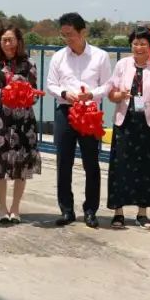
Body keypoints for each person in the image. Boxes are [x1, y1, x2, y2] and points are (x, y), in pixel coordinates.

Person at [46, 12, 112, 228]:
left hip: (90, 113)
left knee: (91, 163)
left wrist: (91, 94)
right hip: (66, 112)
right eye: (64, 35)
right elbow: (51, 85)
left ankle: (91, 211)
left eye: (71, 34)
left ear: (83, 32)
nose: (67, 39)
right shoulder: (58, 57)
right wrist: (65, 94)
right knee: (63, 163)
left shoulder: (100, 56)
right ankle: (66, 210)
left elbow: (108, 85)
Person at [106, 26, 150, 228]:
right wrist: (119, 95)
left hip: (149, 122)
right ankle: (118, 212)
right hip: (126, 120)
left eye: (143, 43)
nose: (139, 47)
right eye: (135, 43)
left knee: (148, 167)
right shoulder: (122, 64)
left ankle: (143, 213)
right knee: (120, 166)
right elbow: (111, 93)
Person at [0, 25, 41, 224]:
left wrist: (21, 94)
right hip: (1, 120)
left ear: (18, 41)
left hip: (23, 121)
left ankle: (15, 207)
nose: (7, 43)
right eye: (3, 39)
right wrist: (2, 91)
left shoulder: (28, 64)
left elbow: (35, 96)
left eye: (11, 39)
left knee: (21, 165)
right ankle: (2, 207)